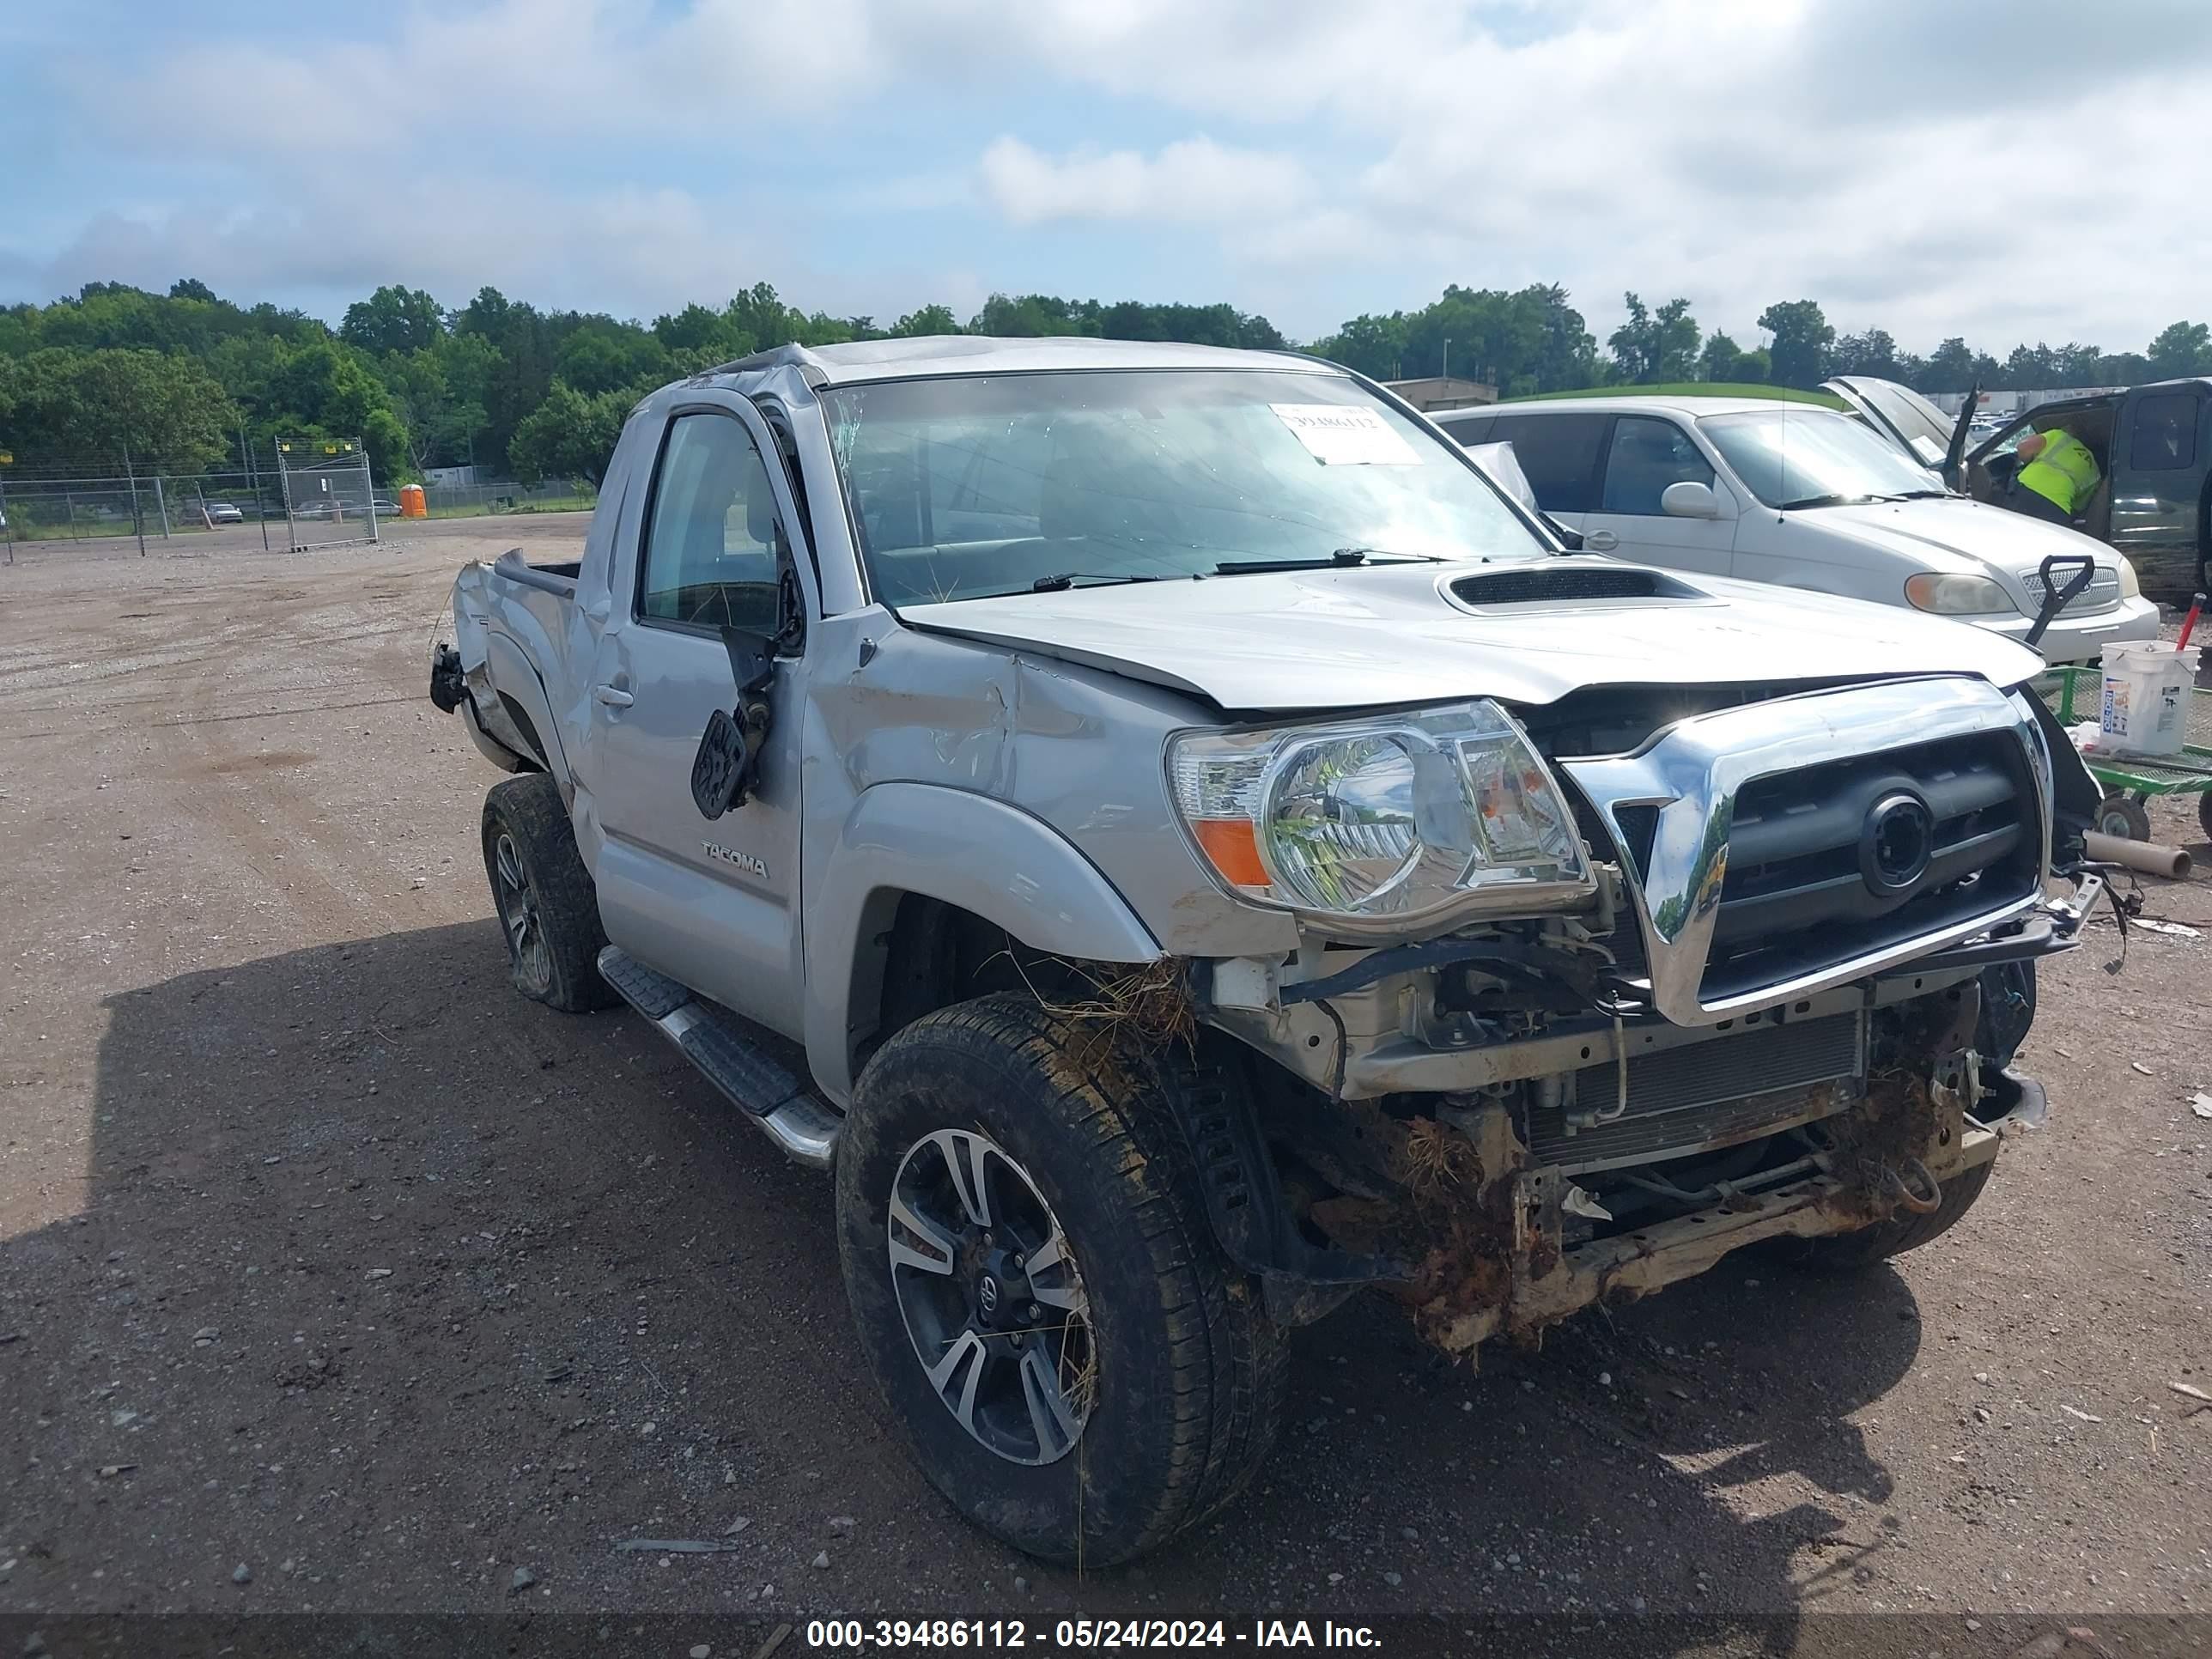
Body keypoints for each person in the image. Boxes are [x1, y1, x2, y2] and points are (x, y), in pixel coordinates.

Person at [2008, 423, 2100, 526]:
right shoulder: (2095, 470)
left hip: (2027, 490)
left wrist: (2028, 462)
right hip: (2058, 510)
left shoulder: (2059, 436)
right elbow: (2078, 507)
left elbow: (2023, 448)